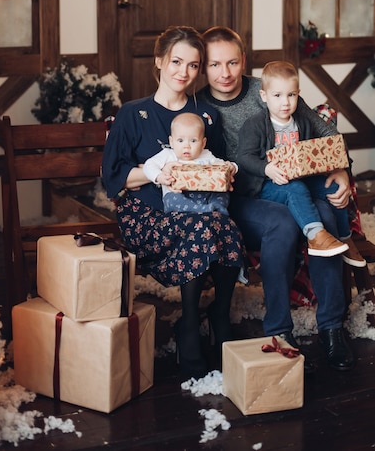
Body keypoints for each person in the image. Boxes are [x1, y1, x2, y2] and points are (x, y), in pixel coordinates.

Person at [197, 25, 354, 372]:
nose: (224, 73)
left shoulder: (269, 88)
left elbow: (324, 132)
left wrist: (342, 169)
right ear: (203, 66)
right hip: (243, 198)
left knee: (325, 219)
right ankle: (280, 331)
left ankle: (331, 328)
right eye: (213, 65)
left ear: (244, 61)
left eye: (233, 63)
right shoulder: (198, 104)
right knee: (282, 224)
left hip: (292, 183)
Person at [102, 25, 245, 379]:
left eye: (194, 65)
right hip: (147, 213)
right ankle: (189, 327)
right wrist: (155, 174)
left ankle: (220, 315)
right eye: (176, 62)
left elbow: (220, 168)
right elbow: (112, 176)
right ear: (159, 61)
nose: (184, 72)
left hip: (201, 211)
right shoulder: (133, 114)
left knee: (223, 225)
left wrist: (223, 175)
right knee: (204, 227)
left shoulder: (206, 116)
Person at [237, 60, 365, 267]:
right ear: (264, 97)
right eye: (277, 96)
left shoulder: (302, 121)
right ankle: (316, 235)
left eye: (291, 95)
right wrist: (266, 168)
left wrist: (337, 168)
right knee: (294, 188)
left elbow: (317, 149)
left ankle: (344, 237)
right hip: (270, 184)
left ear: (298, 93)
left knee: (331, 187)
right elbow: (244, 157)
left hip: (302, 177)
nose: (285, 102)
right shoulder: (255, 125)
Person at [142, 112, 237, 216]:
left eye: (193, 140)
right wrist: (159, 176)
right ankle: (204, 210)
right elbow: (148, 166)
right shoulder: (168, 155)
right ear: (171, 141)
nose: (186, 146)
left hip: (205, 196)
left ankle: (215, 206)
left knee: (223, 192)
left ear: (203, 143)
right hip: (180, 194)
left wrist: (232, 167)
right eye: (180, 140)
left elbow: (223, 166)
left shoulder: (206, 155)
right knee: (172, 199)